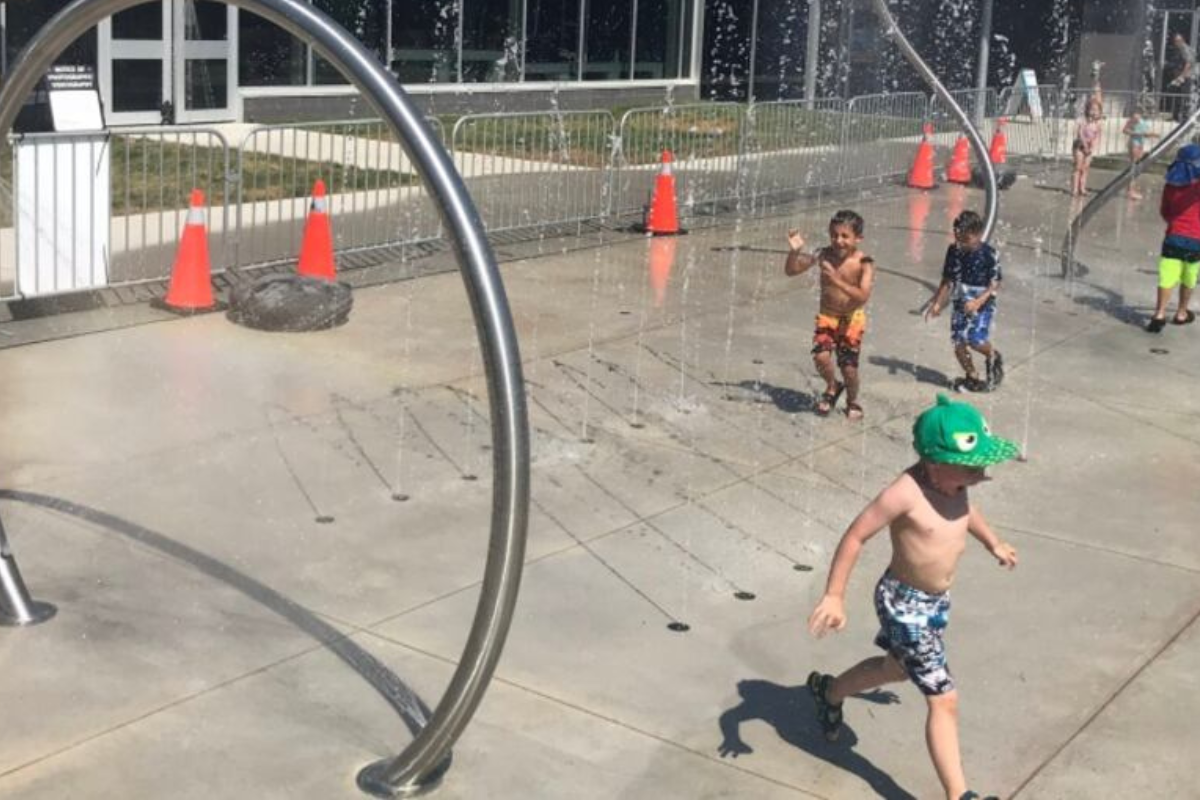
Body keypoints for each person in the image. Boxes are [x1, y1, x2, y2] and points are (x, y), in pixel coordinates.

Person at [806, 394, 1020, 800]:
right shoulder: (904, 493)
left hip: (935, 603)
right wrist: (834, 595)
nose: (982, 472)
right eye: (973, 467)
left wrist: (993, 541)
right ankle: (960, 796)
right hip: (905, 606)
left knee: (895, 669)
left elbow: (965, 510)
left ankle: (830, 691)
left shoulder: (953, 482)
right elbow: (856, 535)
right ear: (934, 462)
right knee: (944, 699)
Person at [785, 210, 876, 419]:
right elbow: (791, 271)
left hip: (852, 320)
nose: (838, 241)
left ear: (858, 238)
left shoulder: (865, 263)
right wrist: (795, 252)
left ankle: (852, 401)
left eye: (845, 236)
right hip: (827, 316)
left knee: (849, 368)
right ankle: (833, 385)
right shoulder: (823, 254)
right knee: (820, 357)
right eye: (834, 235)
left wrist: (836, 280)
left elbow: (863, 296)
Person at [924, 211, 1004, 393]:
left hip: (983, 302)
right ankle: (972, 376)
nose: (960, 242)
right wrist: (937, 303)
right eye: (957, 237)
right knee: (958, 343)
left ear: (978, 234)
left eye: (965, 239)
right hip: (961, 301)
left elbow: (995, 284)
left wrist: (978, 302)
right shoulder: (954, 251)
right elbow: (947, 280)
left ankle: (993, 355)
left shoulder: (989, 254)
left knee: (975, 339)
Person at [1147, 144, 1200, 332]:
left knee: (1167, 276)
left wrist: (1176, 223)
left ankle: (1159, 314)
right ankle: (1181, 312)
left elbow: (1165, 212)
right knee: (1189, 277)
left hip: (1173, 237)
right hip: (1196, 240)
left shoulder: (1170, 186)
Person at [1122, 109, 1158, 200]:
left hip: (1140, 145)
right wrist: (1137, 133)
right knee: (1134, 167)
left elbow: (1145, 134)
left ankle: (1131, 188)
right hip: (1134, 144)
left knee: (1137, 167)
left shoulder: (1143, 122)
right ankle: (1131, 191)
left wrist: (1152, 135)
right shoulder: (1133, 120)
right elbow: (1125, 130)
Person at [1071, 97, 1102, 197]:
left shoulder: (1097, 125)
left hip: (1089, 149)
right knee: (1078, 167)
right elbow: (1080, 133)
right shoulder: (1084, 121)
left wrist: (1092, 147)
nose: (1094, 112)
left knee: (1085, 169)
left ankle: (1082, 188)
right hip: (1079, 146)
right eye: (1092, 109)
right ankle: (1075, 189)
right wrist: (1084, 144)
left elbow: (1097, 136)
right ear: (1087, 110)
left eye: (1096, 110)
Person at [1168, 33, 1195, 122]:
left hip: (1185, 78)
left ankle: (1184, 117)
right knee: (1177, 97)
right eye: (1175, 41)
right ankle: (1176, 116)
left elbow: (1188, 63)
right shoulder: (1178, 50)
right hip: (1179, 77)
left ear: (1182, 40)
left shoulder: (1185, 49)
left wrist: (1181, 77)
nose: (1177, 43)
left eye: (1178, 41)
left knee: (1183, 98)